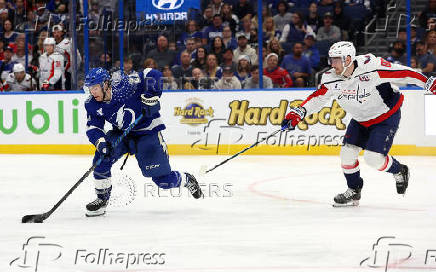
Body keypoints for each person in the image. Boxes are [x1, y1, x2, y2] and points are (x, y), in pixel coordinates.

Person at [281, 41, 436, 207]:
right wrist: (299, 113)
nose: (332, 64)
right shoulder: (330, 78)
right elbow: (318, 98)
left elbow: (403, 73)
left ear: (348, 59)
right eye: (331, 60)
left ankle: (400, 170)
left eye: (336, 60)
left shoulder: (371, 66)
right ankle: (354, 190)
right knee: (346, 155)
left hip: (385, 116)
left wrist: (427, 82)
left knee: (373, 158)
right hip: (360, 119)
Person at [83, 67, 203, 216]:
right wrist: (100, 142)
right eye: (90, 88)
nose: (92, 92)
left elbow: (152, 73)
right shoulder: (92, 104)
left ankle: (186, 179)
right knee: (101, 159)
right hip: (122, 133)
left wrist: (151, 95)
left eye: (95, 88)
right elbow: (93, 127)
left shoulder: (126, 85)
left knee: (163, 181)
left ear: (106, 84)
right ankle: (101, 200)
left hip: (147, 132)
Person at [53, 24, 82, 90]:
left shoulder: (68, 43)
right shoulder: (52, 44)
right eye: (55, 32)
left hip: (66, 71)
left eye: (58, 32)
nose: (56, 34)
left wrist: (67, 70)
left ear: (62, 32)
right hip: (55, 70)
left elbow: (74, 58)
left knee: (66, 87)